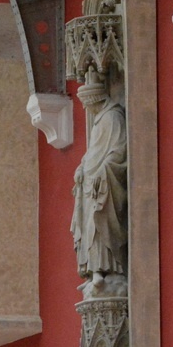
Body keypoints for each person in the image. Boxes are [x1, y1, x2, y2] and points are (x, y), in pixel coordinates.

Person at [70, 69, 128, 289]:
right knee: (89, 228)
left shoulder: (113, 117)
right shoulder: (99, 120)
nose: (86, 109)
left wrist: (103, 170)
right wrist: (82, 167)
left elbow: (118, 150)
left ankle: (107, 268)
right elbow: (93, 151)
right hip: (91, 182)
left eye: (87, 104)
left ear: (95, 99)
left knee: (99, 223)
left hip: (104, 182)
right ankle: (93, 269)